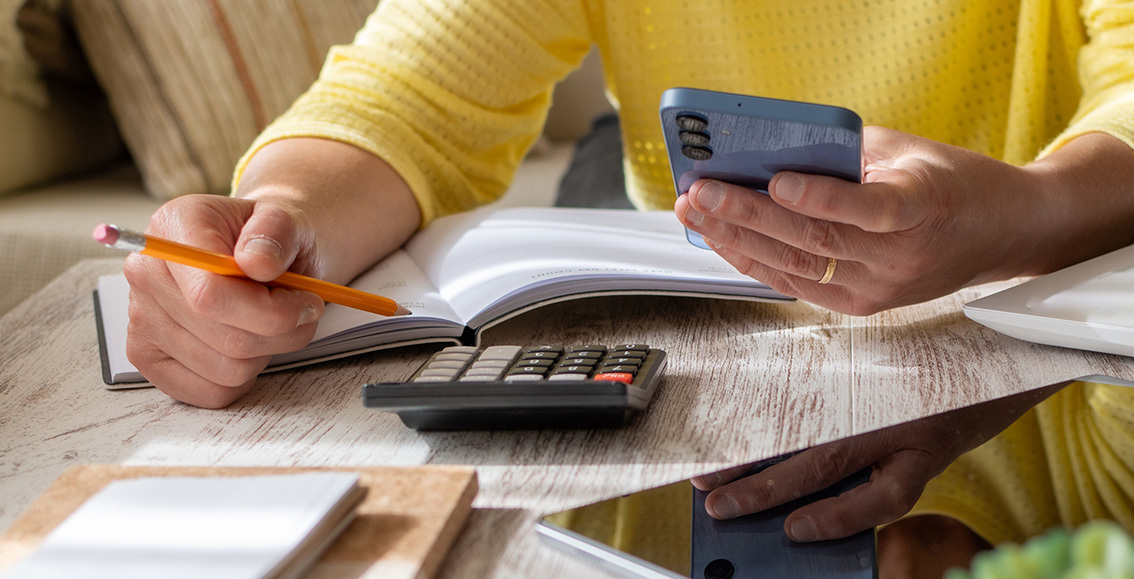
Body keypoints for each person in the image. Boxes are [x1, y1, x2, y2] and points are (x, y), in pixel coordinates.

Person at [124, 0, 1134, 409]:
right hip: (712, 300)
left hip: (1059, 345)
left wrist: (1022, 213)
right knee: (603, 177)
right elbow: (407, 92)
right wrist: (278, 216)